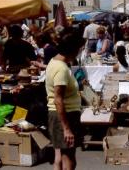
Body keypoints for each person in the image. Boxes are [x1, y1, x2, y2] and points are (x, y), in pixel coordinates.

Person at [45, 30, 84, 170]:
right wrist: (66, 128)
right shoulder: (61, 69)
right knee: (69, 159)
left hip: (61, 115)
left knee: (61, 156)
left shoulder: (54, 62)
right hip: (64, 115)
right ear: (72, 49)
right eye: (79, 49)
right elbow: (58, 99)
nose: (80, 52)